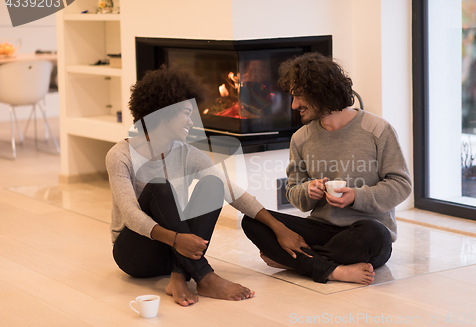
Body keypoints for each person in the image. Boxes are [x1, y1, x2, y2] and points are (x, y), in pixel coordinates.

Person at [106, 65, 308, 306]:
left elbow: (231, 190)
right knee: (159, 187)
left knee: (214, 183)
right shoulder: (120, 155)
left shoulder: (186, 153)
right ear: (163, 112)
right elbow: (130, 216)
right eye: (186, 113)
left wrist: (279, 227)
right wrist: (175, 238)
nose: (192, 122)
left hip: (173, 254)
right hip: (136, 255)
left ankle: (179, 276)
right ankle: (204, 276)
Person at [242, 53, 412, 285]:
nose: (294, 105)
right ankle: (334, 270)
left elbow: (401, 184)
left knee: (376, 234)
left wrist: (356, 197)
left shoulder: (377, 129)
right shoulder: (301, 138)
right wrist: (307, 191)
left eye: (299, 96)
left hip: (364, 232)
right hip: (321, 228)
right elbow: (293, 192)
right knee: (252, 220)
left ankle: (298, 261)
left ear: (321, 91)